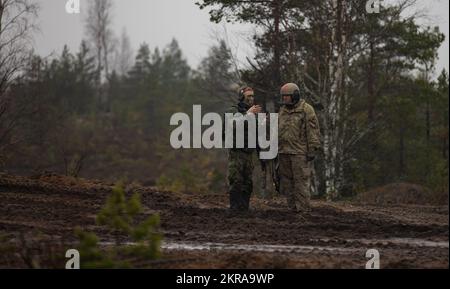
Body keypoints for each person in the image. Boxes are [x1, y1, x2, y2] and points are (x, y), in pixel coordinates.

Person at [278, 83, 321, 213]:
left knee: (301, 182)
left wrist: (312, 148)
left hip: (299, 153)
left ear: (295, 96)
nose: (284, 99)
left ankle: (303, 210)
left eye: (287, 96)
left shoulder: (306, 109)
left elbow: (312, 130)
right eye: (283, 96)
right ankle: (292, 208)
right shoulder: (283, 110)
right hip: (284, 151)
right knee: (287, 183)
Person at [226, 86, 261, 211]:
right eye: (248, 96)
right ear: (241, 97)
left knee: (248, 182)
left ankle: (244, 207)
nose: (251, 99)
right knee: (236, 180)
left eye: (252, 96)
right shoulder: (233, 110)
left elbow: (255, 132)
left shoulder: (253, 113)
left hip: (248, 152)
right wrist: (248, 114)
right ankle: (234, 208)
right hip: (237, 152)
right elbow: (233, 125)